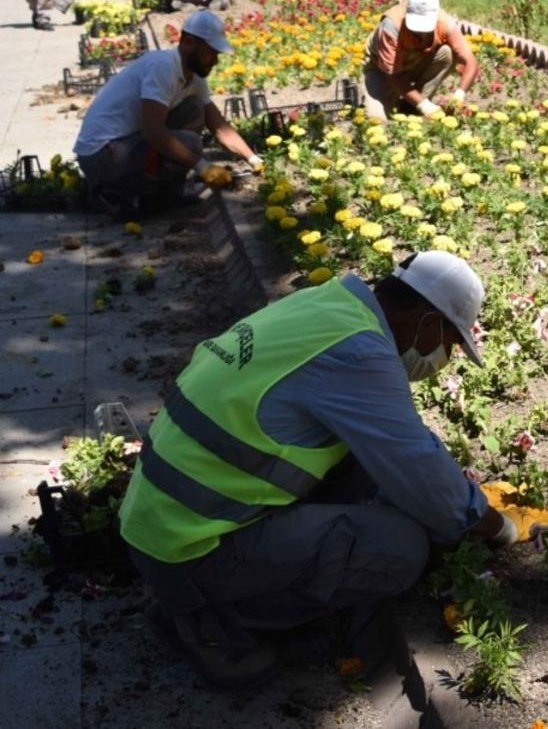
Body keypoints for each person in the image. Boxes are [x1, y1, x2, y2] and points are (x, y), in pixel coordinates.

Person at [118, 251, 525, 690]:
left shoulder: (328, 306)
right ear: (427, 320)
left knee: (368, 471)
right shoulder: (358, 353)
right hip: (190, 547)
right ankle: (209, 622)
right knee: (398, 549)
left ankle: (211, 591)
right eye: (448, 342)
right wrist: (497, 526)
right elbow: (420, 470)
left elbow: (398, 451)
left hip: (160, 521)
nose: (444, 356)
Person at [73, 10, 261, 214]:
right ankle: (115, 193)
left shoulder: (195, 77)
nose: (215, 60)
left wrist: (253, 159)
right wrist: (202, 167)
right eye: (210, 52)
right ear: (189, 42)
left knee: (195, 109)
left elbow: (219, 127)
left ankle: (166, 194)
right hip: (100, 156)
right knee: (189, 143)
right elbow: (154, 133)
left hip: (123, 144)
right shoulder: (162, 67)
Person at [362, 0, 478, 121]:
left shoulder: (445, 23)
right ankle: (413, 101)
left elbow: (471, 62)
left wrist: (459, 95)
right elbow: (393, 74)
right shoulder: (392, 25)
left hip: (415, 63)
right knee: (376, 118)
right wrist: (424, 105)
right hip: (381, 69)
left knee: (446, 53)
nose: (421, 33)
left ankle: (411, 104)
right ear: (407, 12)